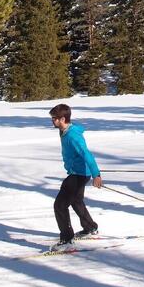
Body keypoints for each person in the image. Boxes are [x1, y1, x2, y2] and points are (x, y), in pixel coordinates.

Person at [48, 103, 103, 252]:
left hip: (78, 174)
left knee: (59, 205)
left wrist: (96, 174)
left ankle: (67, 240)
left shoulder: (73, 136)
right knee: (76, 200)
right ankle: (90, 227)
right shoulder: (65, 130)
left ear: (63, 119)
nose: (52, 121)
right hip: (77, 172)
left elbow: (86, 153)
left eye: (54, 118)